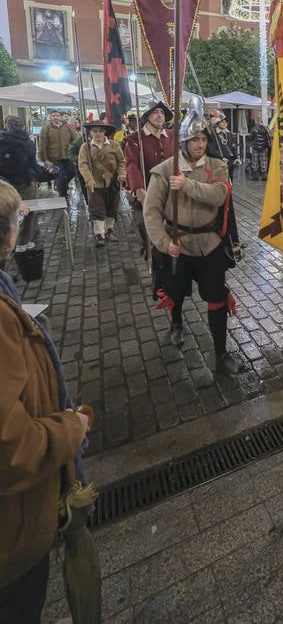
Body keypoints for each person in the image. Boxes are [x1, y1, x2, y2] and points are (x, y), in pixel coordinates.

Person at [0, 181, 90, 623]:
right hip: (10, 537)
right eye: (17, 220)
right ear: (8, 236)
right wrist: (70, 429)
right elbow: (11, 446)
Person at [144, 98, 243, 370]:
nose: (200, 144)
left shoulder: (217, 166)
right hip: (178, 243)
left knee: (216, 295)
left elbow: (220, 195)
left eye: (203, 139)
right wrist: (163, 243)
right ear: (184, 140)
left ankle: (221, 354)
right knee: (175, 290)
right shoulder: (165, 170)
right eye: (194, 139)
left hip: (210, 243)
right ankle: (176, 323)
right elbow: (151, 212)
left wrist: (187, 185)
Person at [124, 99, 174, 257]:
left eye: (162, 113)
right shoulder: (134, 139)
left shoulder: (172, 136)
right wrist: (139, 190)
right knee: (147, 231)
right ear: (147, 117)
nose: (160, 116)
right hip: (146, 191)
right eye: (155, 112)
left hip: (170, 192)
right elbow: (131, 165)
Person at [0, 116, 49, 251]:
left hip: (4, 184)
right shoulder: (28, 142)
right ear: (23, 126)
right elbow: (32, 165)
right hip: (25, 183)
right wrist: (45, 174)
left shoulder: (1, 139)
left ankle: (6, 242)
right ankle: (23, 242)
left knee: (6, 212)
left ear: (6, 125)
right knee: (27, 212)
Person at [78, 120, 126, 245]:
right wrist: (89, 179)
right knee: (97, 209)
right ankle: (99, 234)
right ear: (90, 133)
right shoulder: (85, 147)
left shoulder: (114, 145)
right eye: (95, 131)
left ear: (105, 132)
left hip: (112, 182)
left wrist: (122, 173)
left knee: (112, 208)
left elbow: (121, 161)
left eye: (100, 131)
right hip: (95, 183)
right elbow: (82, 164)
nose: (98, 134)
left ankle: (109, 230)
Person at [39, 109, 76, 198]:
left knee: (72, 172)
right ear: (50, 117)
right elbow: (42, 145)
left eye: (57, 115)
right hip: (54, 158)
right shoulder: (46, 128)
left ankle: (61, 184)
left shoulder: (67, 127)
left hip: (67, 156)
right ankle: (63, 196)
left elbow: (74, 140)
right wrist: (45, 159)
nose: (55, 117)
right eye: (53, 116)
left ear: (60, 117)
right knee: (61, 175)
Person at [208, 111, 240, 179]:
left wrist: (236, 158)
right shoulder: (213, 134)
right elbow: (211, 149)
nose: (224, 123)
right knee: (220, 180)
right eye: (222, 122)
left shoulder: (229, 134)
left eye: (226, 122)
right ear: (218, 123)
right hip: (219, 161)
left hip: (230, 162)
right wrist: (221, 157)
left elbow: (234, 147)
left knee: (230, 180)